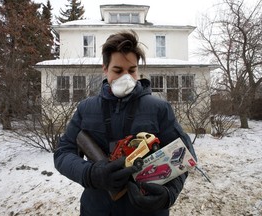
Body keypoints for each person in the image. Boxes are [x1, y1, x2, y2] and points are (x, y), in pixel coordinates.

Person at [54, 30, 196, 216]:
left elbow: (185, 155)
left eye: (132, 70)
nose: (126, 77)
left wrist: (169, 194)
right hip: (96, 209)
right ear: (105, 69)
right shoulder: (86, 109)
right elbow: (63, 153)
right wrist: (91, 174)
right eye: (118, 70)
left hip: (147, 211)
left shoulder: (159, 109)